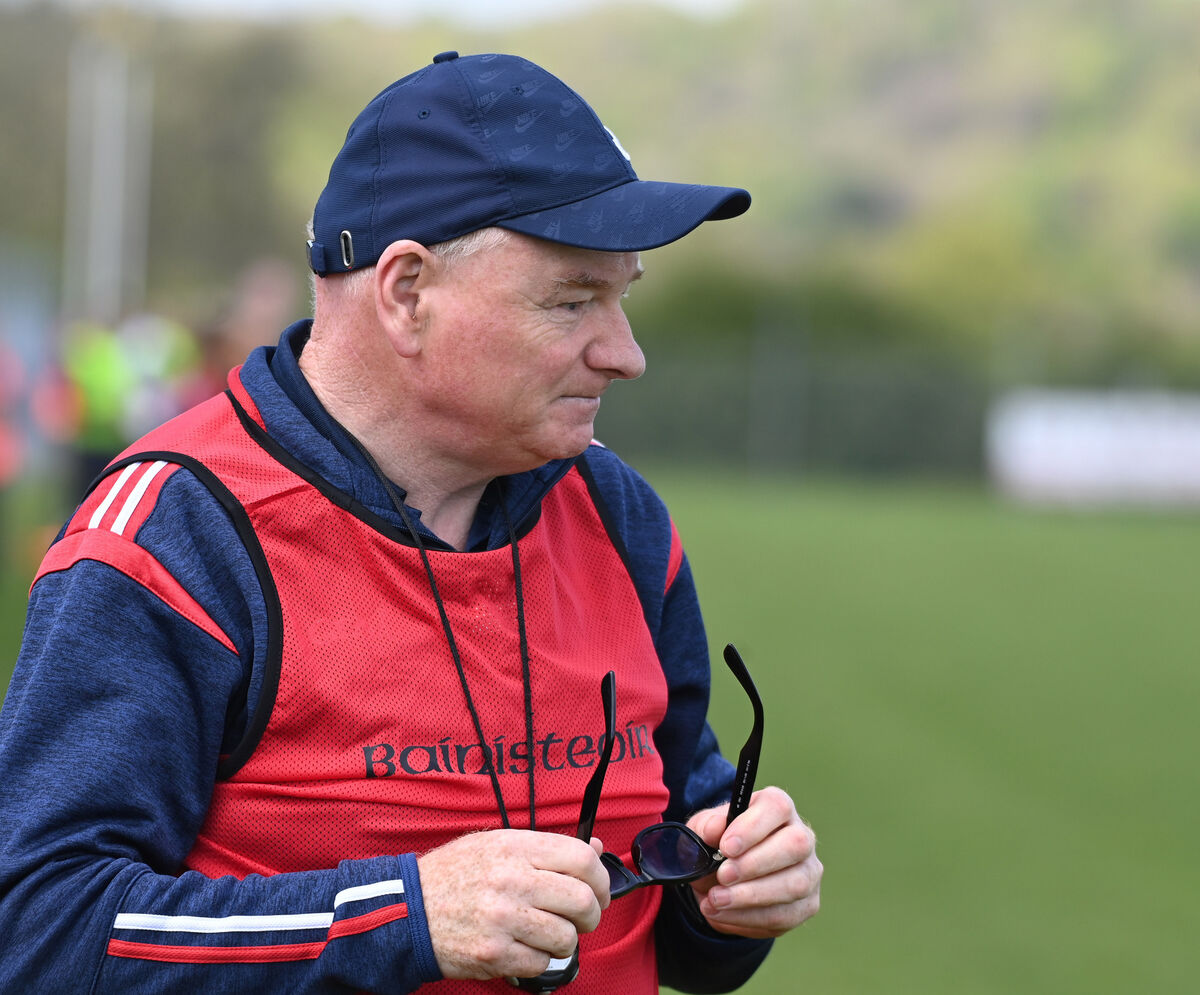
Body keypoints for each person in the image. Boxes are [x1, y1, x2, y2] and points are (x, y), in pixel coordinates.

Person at [0, 51, 821, 993]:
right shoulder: (177, 533)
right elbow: (39, 930)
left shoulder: (620, 515)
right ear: (406, 293)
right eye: (572, 300)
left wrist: (727, 890)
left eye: (623, 296)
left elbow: (675, 878)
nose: (624, 353)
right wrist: (408, 915)